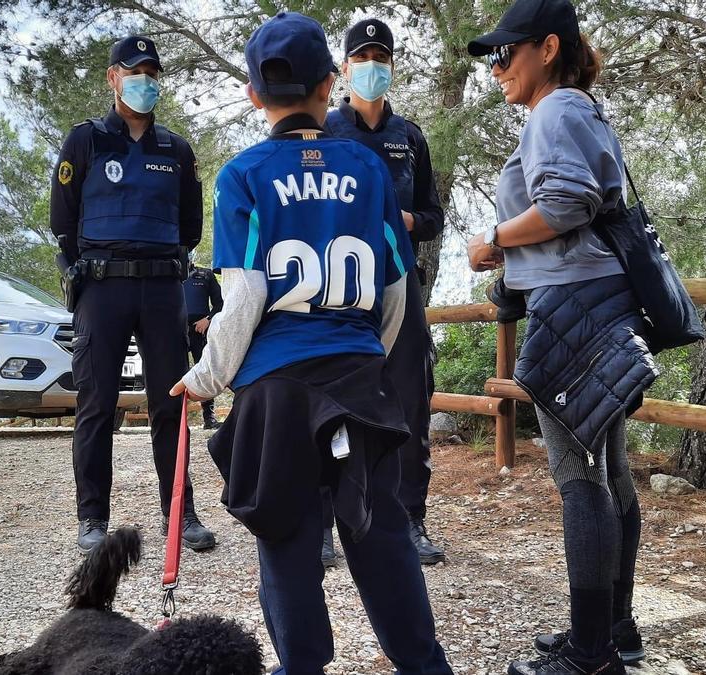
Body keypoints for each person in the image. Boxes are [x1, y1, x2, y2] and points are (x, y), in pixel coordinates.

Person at [171, 13, 453, 674]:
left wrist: (208, 377)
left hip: (276, 390)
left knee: (289, 538)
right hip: (358, 375)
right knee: (383, 533)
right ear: (332, 85)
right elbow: (395, 290)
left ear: (252, 96)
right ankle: (425, 664)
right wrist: (364, 358)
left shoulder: (243, 175)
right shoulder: (367, 166)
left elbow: (241, 298)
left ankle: (301, 666)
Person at [465, 1, 654, 673]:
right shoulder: (577, 109)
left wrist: (492, 240)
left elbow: (567, 202)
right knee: (611, 471)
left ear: (546, 47)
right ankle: (615, 627)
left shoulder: (554, 111)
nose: (495, 69)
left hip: (575, 307)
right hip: (601, 301)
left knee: (580, 477)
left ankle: (590, 653)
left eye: (504, 53)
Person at [50, 35, 215, 555]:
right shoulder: (87, 141)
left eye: (151, 72)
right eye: (133, 71)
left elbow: (192, 223)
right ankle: (93, 519)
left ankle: (181, 514)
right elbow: (63, 220)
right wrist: (88, 271)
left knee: (171, 405)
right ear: (113, 78)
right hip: (103, 288)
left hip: (163, 288)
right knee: (96, 404)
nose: (143, 80)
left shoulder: (177, 150)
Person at [324, 17, 447, 567]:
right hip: (338, 288)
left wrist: (404, 221)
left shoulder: (410, 137)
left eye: (382, 56)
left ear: (392, 67)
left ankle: (410, 518)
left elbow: (434, 217)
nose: (372, 65)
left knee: (410, 403)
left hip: (400, 285)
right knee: (328, 401)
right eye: (362, 56)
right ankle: (326, 518)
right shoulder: (325, 132)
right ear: (344, 67)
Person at [183, 256, 223, 429]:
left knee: (205, 371)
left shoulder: (205, 274)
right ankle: (176, 418)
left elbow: (221, 303)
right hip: (175, 332)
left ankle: (209, 417)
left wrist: (208, 319)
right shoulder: (168, 276)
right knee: (175, 372)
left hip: (200, 330)